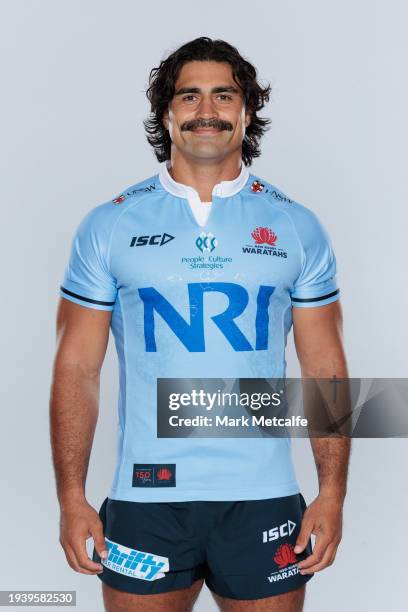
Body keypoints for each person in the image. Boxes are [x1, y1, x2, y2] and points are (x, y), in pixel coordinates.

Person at [50, 37, 350, 612]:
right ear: (167, 113)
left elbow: (324, 366)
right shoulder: (109, 224)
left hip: (263, 498)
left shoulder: (296, 225)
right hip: (147, 498)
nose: (206, 110)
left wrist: (332, 492)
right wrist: (71, 497)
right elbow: (77, 368)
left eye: (223, 95)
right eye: (189, 96)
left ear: (246, 111)